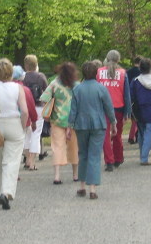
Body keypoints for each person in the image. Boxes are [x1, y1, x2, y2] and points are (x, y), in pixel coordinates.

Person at [69, 61, 116, 199]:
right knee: (94, 155)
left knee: (83, 154)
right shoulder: (101, 88)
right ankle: (92, 189)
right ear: (96, 73)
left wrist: (69, 126)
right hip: (98, 125)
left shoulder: (77, 89)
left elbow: (73, 110)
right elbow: (109, 107)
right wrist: (113, 122)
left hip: (81, 125)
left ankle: (82, 186)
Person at [0, 59, 28, 210]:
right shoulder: (18, 88)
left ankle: (0, 189)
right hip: (13, 123)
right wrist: (23, 127)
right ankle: (6, 192)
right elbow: (24, 111)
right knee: (12, 161)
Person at [40, 62, 79, 185]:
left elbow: (44, 99)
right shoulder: (77, 86)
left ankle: (57, 175)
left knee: (57, 147)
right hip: (73, 121)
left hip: (57, 120)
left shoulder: (54, 84)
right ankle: (75, 174)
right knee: (74, 147)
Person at [96, 50, 130, 171]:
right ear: (118, 59)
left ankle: (109, 161)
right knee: (117, 134)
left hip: (103, 107)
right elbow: (127, 95)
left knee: (105, 135)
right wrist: (127, 112)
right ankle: (118, 158)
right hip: (118, 107)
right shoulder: (123, 73)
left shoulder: (99, 72)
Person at [22, 55, 48, 171]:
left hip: (25, 107)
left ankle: (27, 159)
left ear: (26, 65)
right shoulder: (40, 77)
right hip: (38, 106)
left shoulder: (23, 77)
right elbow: (47, 91)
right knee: (36, 134)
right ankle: (32, 162)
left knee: (27, 134)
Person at [126, 56, 142, 145]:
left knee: (133, 120)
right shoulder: (141, 73)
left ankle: (132, 136)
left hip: (129, 97)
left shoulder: (128, 72)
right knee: (137, 120)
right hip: (138, 97)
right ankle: (133, 136)